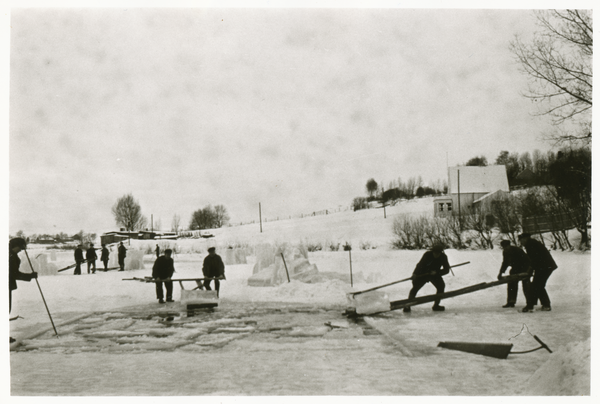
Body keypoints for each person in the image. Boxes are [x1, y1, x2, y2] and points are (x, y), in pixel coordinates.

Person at [404, 244, 450, 312]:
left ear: (441, 253)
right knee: (415, 288)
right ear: (432, 251)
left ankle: (436, 305)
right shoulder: (427, 255)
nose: (436, 254)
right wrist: (415, 274)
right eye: (434, 253)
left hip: (434, 275)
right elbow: (419, 265)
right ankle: (407, 306)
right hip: (422, 274)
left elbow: (446, 270)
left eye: (438, 253)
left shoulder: (443, 257)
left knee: (441, 286)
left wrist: (437, 272)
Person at [518, 233, 558, 312]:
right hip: (546, 266)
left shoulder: (530, 245)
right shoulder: (532, 243)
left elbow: (534, 258)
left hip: (544, 267)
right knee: (539, 285)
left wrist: (530, 270)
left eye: (521, 240)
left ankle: (530, 306)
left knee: (535, 286)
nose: (520, 242)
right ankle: (546, 305)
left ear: (525, 238)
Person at [9, 238, 38, 343]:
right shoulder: (10, 257)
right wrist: (29, 276)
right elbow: (13, 274)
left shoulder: (13, 256)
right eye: (21, 247)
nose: (22, 250)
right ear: (16, 246)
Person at [497, 240, 531, 308]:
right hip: (515, 269)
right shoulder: (505, 252)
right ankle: (511, 302)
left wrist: (527, 271)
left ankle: (530, 302)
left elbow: (526, 260)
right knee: (511, 284)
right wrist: (500, 273)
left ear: (509, 245)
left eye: (506, 246)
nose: (505, 248)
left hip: (524, 268)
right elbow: (505, 262)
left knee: (526, 285)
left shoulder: (518, 250)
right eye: (503, 247)